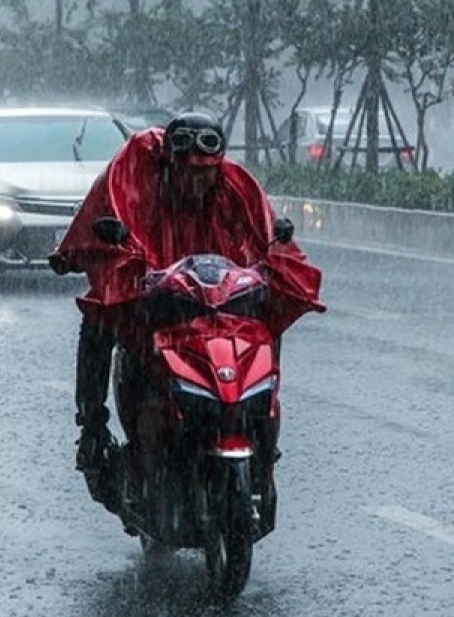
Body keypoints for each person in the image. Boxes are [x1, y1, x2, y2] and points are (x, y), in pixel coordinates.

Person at [48, 111, 325, 511]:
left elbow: (265, 241)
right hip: (157, 291)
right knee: (98, 317)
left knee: (267, 318)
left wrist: (273, 261)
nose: (197, 181)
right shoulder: (137, 177)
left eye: (206, 172)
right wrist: (124, 259)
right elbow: (107, 219)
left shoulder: (235, 189)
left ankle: (261, 426)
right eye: (189, 172)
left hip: (220, 298)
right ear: (170, 166)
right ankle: (91, 427)